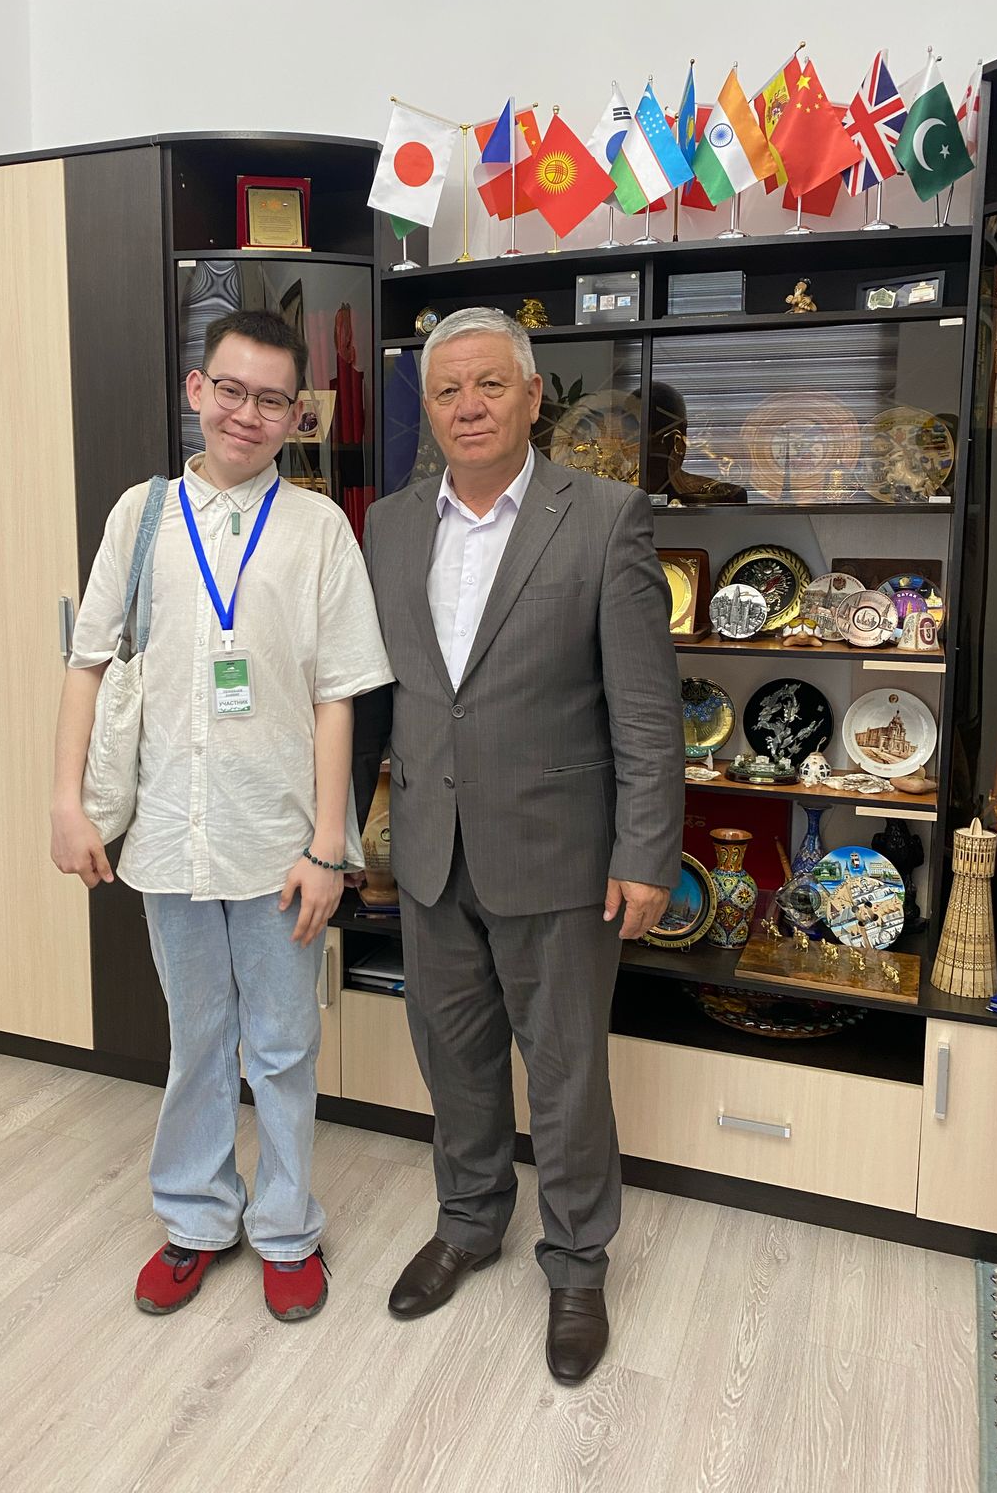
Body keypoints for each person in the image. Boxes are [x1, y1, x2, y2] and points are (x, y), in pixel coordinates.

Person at [353, 307, 683, 1385]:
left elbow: (646, 711)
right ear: (428, 408)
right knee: (451, 1057)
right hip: (430, 851)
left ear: (533, 396)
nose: (469, 407)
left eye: (490, 384)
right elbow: (377, 697)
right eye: (448, 391)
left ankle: (578, 1264)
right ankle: (469, 1221)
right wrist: (343, 830)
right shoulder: (389, 525)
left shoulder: (605, 518)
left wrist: (646, 851)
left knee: (567, 1072)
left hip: (560, 853)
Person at [52, 309, 392, 1323]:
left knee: (283, 1045)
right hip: (169, 834)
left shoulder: (319, 530)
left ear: (298, 414)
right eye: (231, 390)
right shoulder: (142, 515)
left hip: (280, 841)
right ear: (197, 390)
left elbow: (339, 697)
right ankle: (197, 1219)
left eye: (271, 399)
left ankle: (286, 1230)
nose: (247, 414)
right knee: (197, 1039)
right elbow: (88, 662)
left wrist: (327, 847)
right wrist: (66, 803)